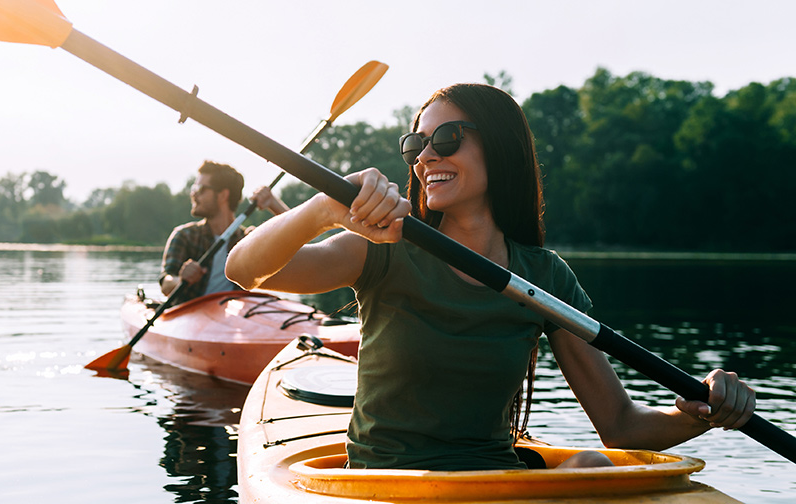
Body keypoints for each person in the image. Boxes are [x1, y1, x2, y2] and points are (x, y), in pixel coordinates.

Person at [225, 83, 756, 471]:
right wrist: (322, 208)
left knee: (592, 463)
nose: (427, 155)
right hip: (384, 486)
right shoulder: (384, 247)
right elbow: (243, 270)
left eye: (448, 138)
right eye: (416, 146)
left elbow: (620, 425)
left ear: (499, 146)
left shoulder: (544, 278)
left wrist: (703, 411)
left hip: (495, 484)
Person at [159, 160, 288, 304]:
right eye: (193, 188)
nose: (194, 195)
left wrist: (273, 203)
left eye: (200, 189)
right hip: (189, 315)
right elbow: (166, 284)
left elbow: (297, 237)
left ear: (223, 195)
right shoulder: (184, 236)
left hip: (233, 318)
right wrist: (181, 280)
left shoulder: (248, 240)